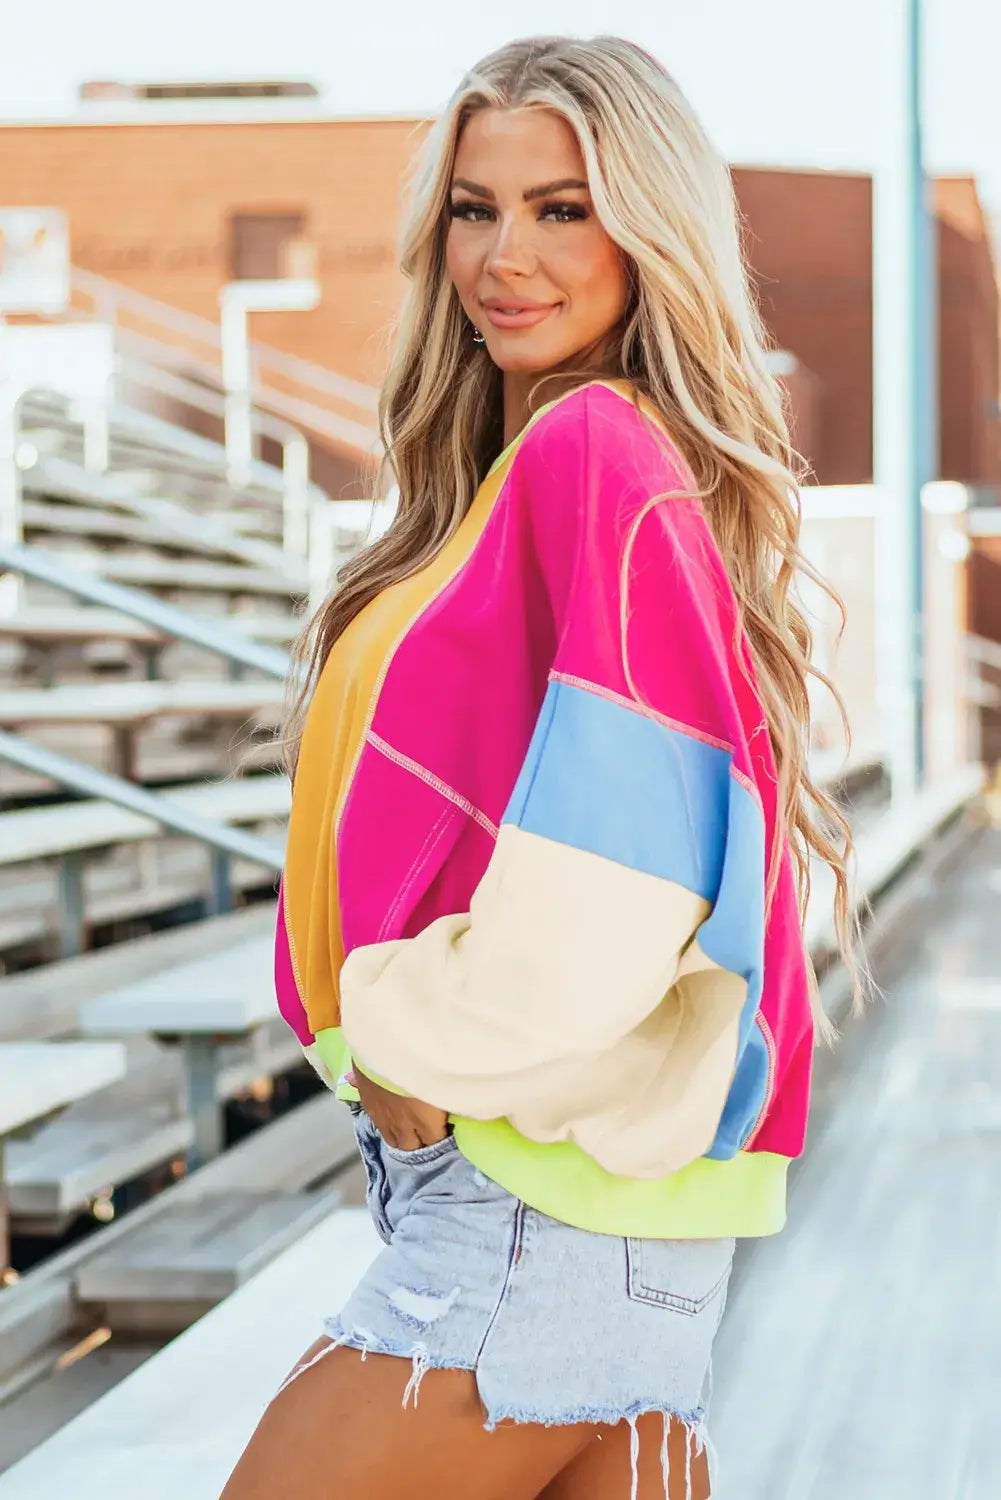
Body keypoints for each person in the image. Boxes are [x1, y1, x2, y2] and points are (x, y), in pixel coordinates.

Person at [222, 33, 855, 1500]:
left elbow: (619, 862)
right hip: (610, 1243)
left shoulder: (591, 448)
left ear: (649, 228)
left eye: (563, 207)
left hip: (521, 1226)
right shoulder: (544, 478)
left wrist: (404, 1037)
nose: (506, 255)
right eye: (473, 206)